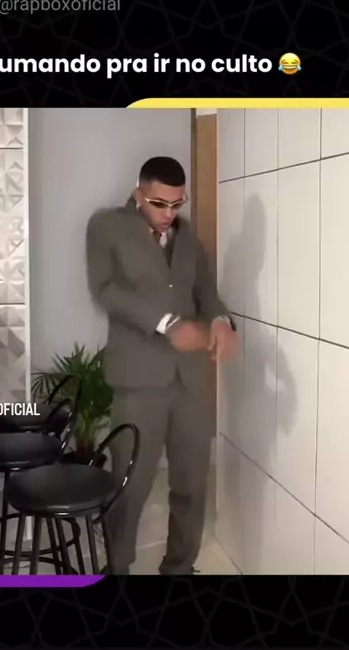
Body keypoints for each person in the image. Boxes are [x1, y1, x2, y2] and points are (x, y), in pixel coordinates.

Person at [86, 156, 237, 574]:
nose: (169, 213)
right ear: (139, 193)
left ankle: (179, 568)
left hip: (190, 380)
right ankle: (118, 568)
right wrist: (167, 324)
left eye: (176, 203)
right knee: (130, 485)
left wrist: (221, 322)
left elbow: (207, 293)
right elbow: (104, 290)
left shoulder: (188, 239)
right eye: (159, 203)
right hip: (138, 381)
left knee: (192, 482)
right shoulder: (107, 226)